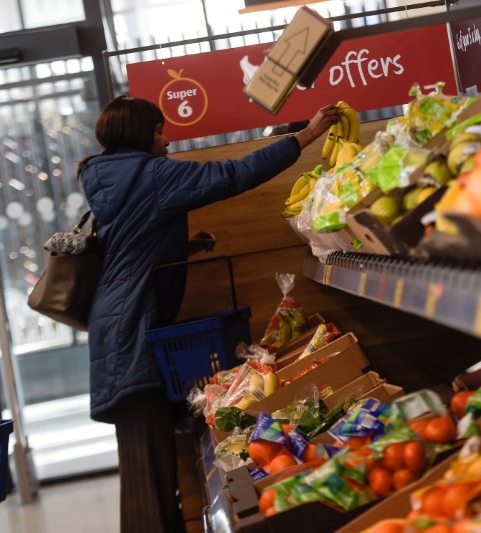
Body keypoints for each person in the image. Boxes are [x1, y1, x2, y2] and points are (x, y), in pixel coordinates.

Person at [77, 95, 339, 533]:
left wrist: (182, 245)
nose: (166, 138)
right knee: (147, 468)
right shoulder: (152, 174)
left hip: (119, 322)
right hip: (131, 329)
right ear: (141, 134)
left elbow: (127, 244)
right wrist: (305, 137)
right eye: (159, 130)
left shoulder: (110, 177)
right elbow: (232, 174)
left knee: (151, 459)